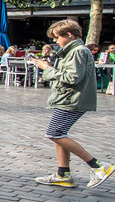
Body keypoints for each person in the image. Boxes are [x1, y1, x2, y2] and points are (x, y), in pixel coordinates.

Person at [34, 20, 113, 189]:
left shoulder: (77, 51)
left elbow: (72, 78)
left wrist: (46, 68)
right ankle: (63, 174)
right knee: (59, 134)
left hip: (72, 99)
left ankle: (97, 165)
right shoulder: (75, 51)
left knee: (54, 133)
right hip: (68, 98)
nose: (55, 41)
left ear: (69, 35)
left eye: (57, 38)